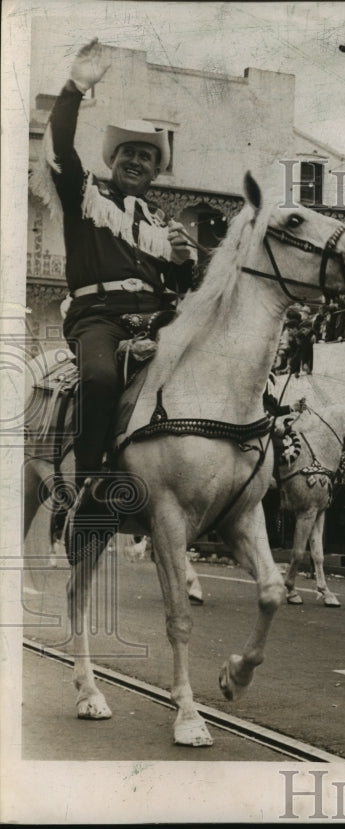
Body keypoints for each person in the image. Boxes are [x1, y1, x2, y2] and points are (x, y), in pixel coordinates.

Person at [40, 39, 196, 557]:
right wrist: (75, 87)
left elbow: (177, 291)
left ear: (155, 170)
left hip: (155, 319)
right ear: (113, 159)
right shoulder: (85, 195)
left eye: (146, 156)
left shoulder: (161, 225)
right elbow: (59, 147)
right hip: (98, 317)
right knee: (101, 378)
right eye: (128, 152)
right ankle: (86, 490)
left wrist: (181, 264)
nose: (136, 160)